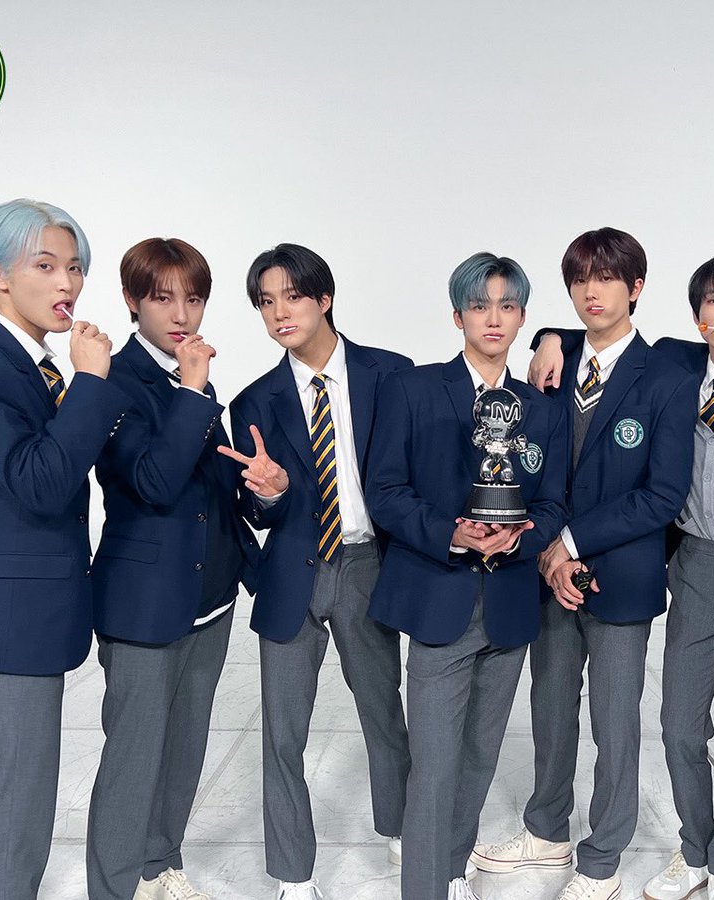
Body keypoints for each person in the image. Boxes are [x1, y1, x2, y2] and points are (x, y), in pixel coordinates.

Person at [472, 228, 696, 900]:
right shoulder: (555, 363)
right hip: (548, 572)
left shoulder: (667, 379)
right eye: (579, 280)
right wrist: (547, 551)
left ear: (636, 287)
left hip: (619, 575)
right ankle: (546, 831)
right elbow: (535, 471)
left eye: (607, 278)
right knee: (549, 706)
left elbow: (663, 495)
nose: (591, 292)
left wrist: (567, 543)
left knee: (615, 724)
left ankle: (602, 861)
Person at [0, 199, 130, 900]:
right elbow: (41, 482)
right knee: (14, 808)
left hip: (3, 616)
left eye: (74, 266)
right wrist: (93, 384)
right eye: (44, 266)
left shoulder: (26, 365)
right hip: (6, 623)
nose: (66, 282)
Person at [366, 252, 569, 900]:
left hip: (510, 603)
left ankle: (453, 871)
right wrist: (449, 532)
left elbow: (553, 502)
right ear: (457, 316)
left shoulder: (542, 409)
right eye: (479, 305)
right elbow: (386, 491)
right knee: (433, 765)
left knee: (480, 757)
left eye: (507, 306)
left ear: (523, 317)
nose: (493, 318)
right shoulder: (414, 390)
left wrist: (523, 534)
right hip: (440, 598)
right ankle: (424, 888)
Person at [222, 244, 413, 900]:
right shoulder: (253, 401)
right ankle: (293, 877)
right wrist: (271, 493)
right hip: (292, 573)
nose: (279, 312)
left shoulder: (391, 376)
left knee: (383, 714)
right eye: (266, 302)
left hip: (367, 565)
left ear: (324, 299)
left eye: (293, 296)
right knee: (282, 734)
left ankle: (401, 830)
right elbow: (255, 509)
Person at [86, 237, 259, 900]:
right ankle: (113, 889)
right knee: (132, 759)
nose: (181, 313)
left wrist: (265, 490)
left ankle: (160, 866)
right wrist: (192, 390)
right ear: (132, 301)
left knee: (185, 748)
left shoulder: (195, 377)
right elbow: (154, 482)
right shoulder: (113, 380)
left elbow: (216, 487)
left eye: (193, 298)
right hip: (142, 602)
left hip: (210, 597)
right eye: (163, 298)